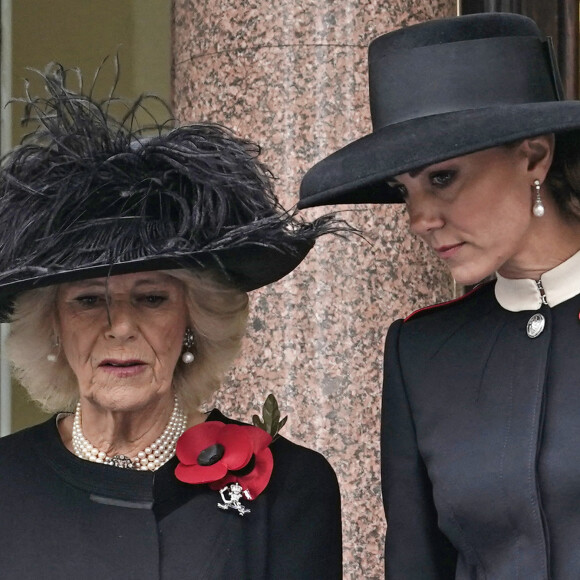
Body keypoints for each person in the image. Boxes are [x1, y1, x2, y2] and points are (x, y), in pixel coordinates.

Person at [0, 63, 343, 579]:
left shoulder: (288, 486)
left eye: (152, 298)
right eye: (89, 301)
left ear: (193, 319)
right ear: (53, 327)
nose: (119, 327)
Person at [298, 12, 580, 579]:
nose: (419, 218)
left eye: (442, 177)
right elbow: (415, 563)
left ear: (533, 156)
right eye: (405, 190)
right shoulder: (421, 351)